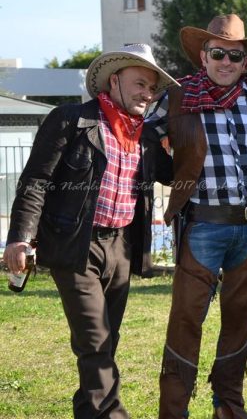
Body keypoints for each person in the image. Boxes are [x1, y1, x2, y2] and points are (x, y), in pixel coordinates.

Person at [2, 44, 176, 418]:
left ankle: (88, 409)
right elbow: (35, 181)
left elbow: (173, 175)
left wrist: (177, 146)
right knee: (95, 339)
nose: (146, 93)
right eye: (139, 83)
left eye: (151, 88)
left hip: (123, 247)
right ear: (114, 80)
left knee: (105, 338)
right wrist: (18, 237)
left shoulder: (144, 136)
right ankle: (111, 413)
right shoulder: (71, 120)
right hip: (76, 244)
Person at [150, 14, 247, 419]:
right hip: (203, 223)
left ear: (245, 61)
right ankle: (173, 411)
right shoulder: (179, 96)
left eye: (235, 55)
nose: (226, 62)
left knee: (240, 318)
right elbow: (139, 136)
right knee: (186, 319)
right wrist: (168, 174)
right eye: (218, 53)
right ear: (203, 56)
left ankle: (229, 403)